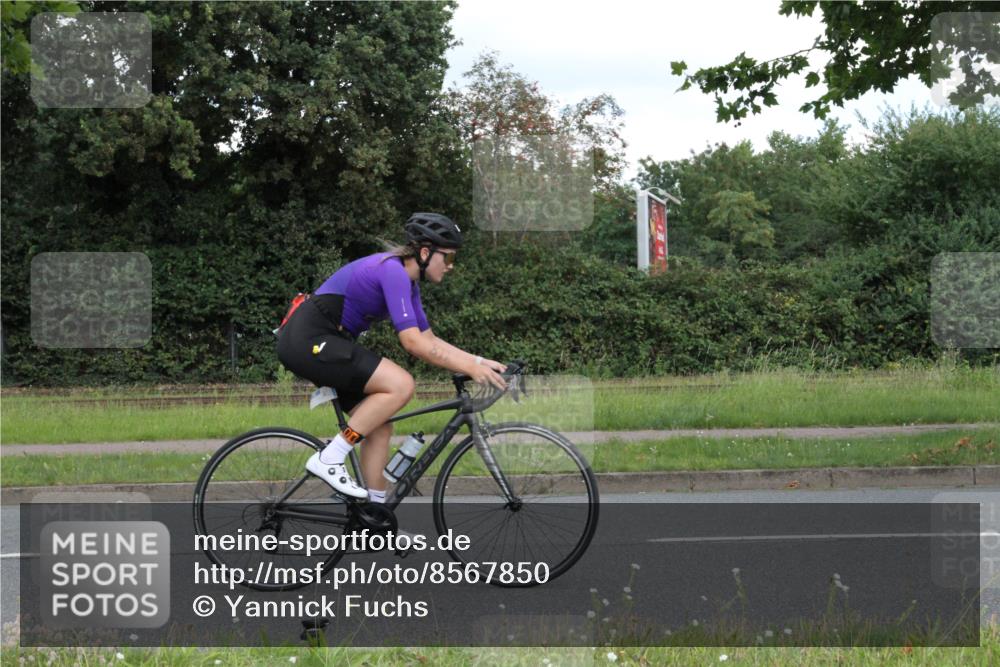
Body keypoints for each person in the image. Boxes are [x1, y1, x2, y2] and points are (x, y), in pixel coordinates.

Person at [276, 212, 507, 500]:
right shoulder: (392, 271)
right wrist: (470, 368)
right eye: (447, 258)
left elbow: (429, 339)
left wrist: (478, 362)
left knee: (379, 426)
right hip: (309, 338)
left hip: (328, 340)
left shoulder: (408, 284)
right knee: (401, 384)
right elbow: (412, 343)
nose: (451, 267)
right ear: (425, 252)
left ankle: (374, 515)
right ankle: (330, 458)